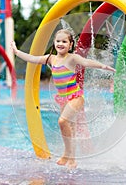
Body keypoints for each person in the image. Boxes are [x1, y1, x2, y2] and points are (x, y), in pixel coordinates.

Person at [11, 29, 115, 169]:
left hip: (76, 97)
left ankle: (68, 155)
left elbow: (86, 62)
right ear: (54, 43)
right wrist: (17, 52)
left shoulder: (71, 58)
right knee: (69, 127)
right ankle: (70, 158)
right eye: (58, 41)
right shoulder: (51, 59)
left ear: (70, 45)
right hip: (63, 99)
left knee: (62, 121)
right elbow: (33, 59)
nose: (61, 44)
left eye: (64, 41)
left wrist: (103, 66)